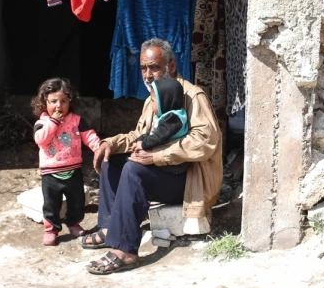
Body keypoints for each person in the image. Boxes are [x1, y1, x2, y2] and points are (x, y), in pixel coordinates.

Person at [81, 39, 221, 274]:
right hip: (166, 173)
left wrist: (158, 156)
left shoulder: (192, 97)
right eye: (144, 68)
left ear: (172, 66)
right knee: (112, 161)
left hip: (188, 181)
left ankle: (125, 250)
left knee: (134, 170)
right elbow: (140, 135)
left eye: (154, 67)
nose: (147, 74)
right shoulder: (154, 97)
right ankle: (109, 228)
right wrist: (111, 143)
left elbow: (204, 142)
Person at [32, 77, 101, 246]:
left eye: (63, 101)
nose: (58, 106)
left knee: (76, 201)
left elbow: (89, 136)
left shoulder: (77, 121)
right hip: (50, 173)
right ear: (44, 102)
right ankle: (51, 230)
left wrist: (99, 148)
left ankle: (74, 223)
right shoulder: (42, 122)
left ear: (71, 101)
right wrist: (54, 122)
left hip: (73, 170)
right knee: (51, 204)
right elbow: (41, 140)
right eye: (53, 101)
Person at [133, 76, 190, 153]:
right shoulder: (164, 116)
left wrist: (143, 144)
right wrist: (138, 141)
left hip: (173, 160)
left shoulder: (174, 118)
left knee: (131, 165)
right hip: (160, 151)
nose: (151, 104)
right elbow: (152, 134)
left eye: (153, 101)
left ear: (164, 102)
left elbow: (158, 136)